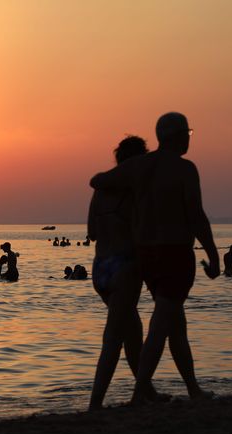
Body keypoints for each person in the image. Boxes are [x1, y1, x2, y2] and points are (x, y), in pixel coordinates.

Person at [90, 112, 219, 403]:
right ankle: (140, 391)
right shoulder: (184, 169)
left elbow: (97, 180)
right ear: (175, 136)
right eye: (188, 133)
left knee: (174, 324)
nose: (189, 138)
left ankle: (192, 388)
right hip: (173, 253)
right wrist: (213, 254)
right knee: (161, 326)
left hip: (146, 256)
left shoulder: (139, 166)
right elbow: (196, 215)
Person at [88, 135, 164, 410]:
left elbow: (92, 233)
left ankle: (147, 392)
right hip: (125, 268)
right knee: (114, 338)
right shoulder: (135, 191)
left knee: (133, 330)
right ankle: (95, 404)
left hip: (100, 270)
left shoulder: (99, 191)